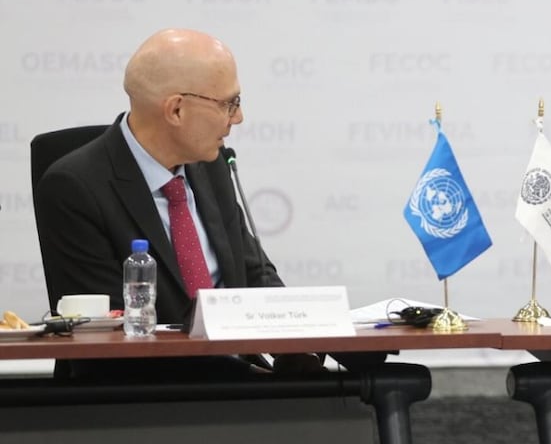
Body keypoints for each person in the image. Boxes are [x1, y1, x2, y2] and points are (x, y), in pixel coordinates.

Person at [34, 28, 348, 377]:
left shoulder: (211, 165)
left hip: (242, 378)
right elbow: (111, 332)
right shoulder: (74, 186)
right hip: (142, 396)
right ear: (177, 110)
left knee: (357, 389)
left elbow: (253, 271)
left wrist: (300, 340)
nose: (238, 118)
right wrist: (250, 377)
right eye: (229, 104)